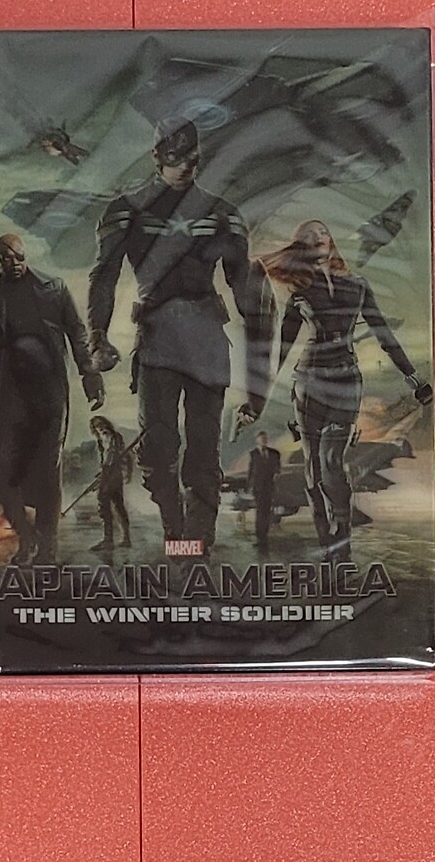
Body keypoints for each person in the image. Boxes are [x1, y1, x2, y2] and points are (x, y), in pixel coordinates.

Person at [87, 117, 269, 556]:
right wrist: (97, 335)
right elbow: (104, 276)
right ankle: (176, 531)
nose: (183, 167)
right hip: (158, 342)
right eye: (174, 159)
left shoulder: (221, 212)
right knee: (156, 452)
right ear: (156, 157)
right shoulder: (127, 209)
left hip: (206, 341)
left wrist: (258, 365)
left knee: (203, 452)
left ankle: (196, 543)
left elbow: (244, 288)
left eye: (191, 159)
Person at [254, 220, 432, 563]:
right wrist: (258, 395)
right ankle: (327, 541)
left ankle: (342, 543)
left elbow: (383, 334)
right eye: (308, 236)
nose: (318, 238)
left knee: (332, 461)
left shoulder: (357, 285)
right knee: (313, 468)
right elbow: (283, 348)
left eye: (322, 232)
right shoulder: (300, 292)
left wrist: (413, 378)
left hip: (346, 380)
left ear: (330, 240)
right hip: (309, 382)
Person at [0, 234, 104, 565]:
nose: (14, 264)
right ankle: (27, 538)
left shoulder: (54, 288)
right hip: (12, 398)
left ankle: (47, 546)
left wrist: (90, 375)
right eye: (7, 259)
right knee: (5, 473)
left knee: (48, 471)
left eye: (19, 257)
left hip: (50, 395)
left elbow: (77, 333)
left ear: (26, 256)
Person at [88, 415, 133, 551]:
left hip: (113, 474)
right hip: (107, 473)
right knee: (114, 505)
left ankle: (112, 540)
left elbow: (120, 456)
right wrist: (101, 473)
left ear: (107, 424)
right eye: (97, 426)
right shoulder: (100, 441)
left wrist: (128, 471)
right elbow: (104, 459)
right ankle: (117, 539)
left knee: (108, 504)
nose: (100, 427)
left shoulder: (115, 437)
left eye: (102, 424)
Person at [246, 429, 282, 547]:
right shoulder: (253, 454)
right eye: (261, 439)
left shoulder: (274, 453)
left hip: (269, 487)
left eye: (265, 439)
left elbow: (277, 468)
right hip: (258, 488)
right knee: (260, 511)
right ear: (257, 440)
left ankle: (264, 536)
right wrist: (249, 486)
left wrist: (277, 473)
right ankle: (260, 536)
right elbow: (251, 471)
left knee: (266, 511)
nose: (264, 441)